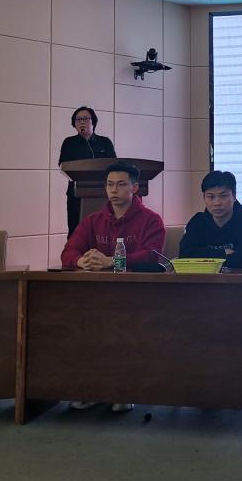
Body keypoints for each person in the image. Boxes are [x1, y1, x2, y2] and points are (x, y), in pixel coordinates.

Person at [59, 161, 165, 414]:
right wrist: (81, 261)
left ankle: (123, 389)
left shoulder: (151, 220)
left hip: (137, 295)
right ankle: (92, 389)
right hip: (96, 295)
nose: (114, 190)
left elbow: (152, 256)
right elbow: (68, 252)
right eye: (109, 185)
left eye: (121, 184)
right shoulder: (92, 220)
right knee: (80, 326)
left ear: (134, 188)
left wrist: (111, 261)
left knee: (123, 327)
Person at [179, 171, 242, 268]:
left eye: (223, 196)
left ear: (234, 196)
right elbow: (184, 256)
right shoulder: (197, 222)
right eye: (211, 197)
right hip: (205, 277)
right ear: (204, 197)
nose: (217, 203)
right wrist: (224, 252)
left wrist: (203, 256)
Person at [58, 106, 117, 237]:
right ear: (74, 124)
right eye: (78, 119)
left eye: (85, 118)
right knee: (75, 232)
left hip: (102, 193)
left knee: (103, 231)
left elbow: (114, 165)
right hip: (76, 194)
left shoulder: (105, 142)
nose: (82, 122)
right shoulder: (69, 143)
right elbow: (62, 165)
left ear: (93, 121)